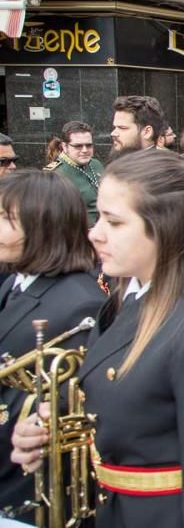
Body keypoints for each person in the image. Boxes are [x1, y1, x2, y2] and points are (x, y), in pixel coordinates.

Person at [11, 151, 184, 526]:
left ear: (166, 227)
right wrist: (55, 434)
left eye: (114, 222)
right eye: (98, 216)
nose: (94, 232)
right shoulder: (126, 299)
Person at [0, 170, 108, 515]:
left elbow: (67, 405)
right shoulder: (14, 282)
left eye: (5, 218)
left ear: (41, 224)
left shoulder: (80, 302)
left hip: (31, 482)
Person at [44, 121, 103, 226]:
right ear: (65, 147)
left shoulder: (96, 164)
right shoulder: (53, 174)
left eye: (89, 145)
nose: (85, 150)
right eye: (78, 146)